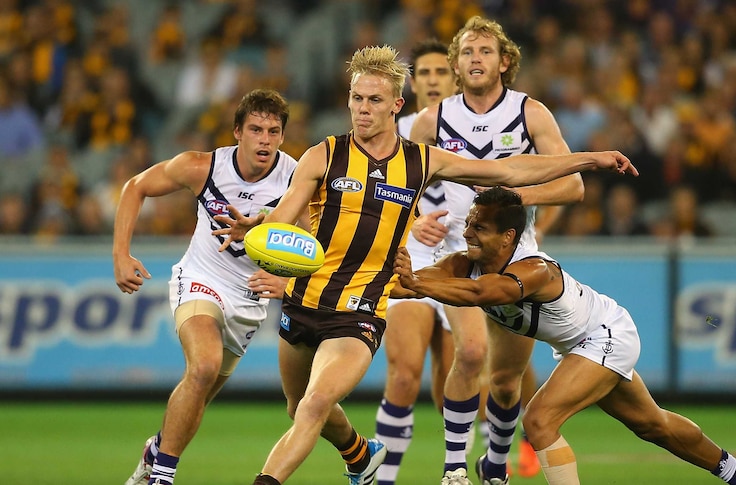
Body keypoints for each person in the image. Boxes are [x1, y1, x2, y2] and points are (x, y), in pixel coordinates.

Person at [211, 45, 636, 485]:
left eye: (374, 100)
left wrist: (589, 159)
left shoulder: (421, 160)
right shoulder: (325, 154)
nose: (362, 109)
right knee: (298, 404)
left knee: (314, 404)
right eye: (357, 98)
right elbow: (285, 217)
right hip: (305, 300)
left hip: (361, 309)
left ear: (397, 105)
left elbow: (507, 174)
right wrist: (259, 228)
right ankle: (360, 454)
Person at [392, 186, 736, 485]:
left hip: (606, 335)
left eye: (480, 228)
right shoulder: (464, 263)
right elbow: (411, 285)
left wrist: (416, 282)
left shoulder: (534, 270)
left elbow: (481, 294)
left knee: (539, 420)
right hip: (581, 346)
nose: (468, 233)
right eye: (470, 223)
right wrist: (365, 283)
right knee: (652, 425)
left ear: (509, 236)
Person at [408, 16, 580, 483]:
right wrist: (414, 218)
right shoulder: (433, 120)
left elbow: (573, 185)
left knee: (506, 382)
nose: (475, 59)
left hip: (517, 255)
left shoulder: (530, 113)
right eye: (466, 52)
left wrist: (516, 197)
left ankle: (496, 466)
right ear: (456, 66)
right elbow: (395, 184)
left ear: (505, 61)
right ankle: (453, 471)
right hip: (457, 254)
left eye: (484, 51)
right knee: (469, 354)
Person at [113, 88, 301, 485]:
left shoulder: (298, 179)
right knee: (203, 366)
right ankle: (161, 477)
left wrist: (287, 279)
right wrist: (121, 255)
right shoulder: (203, 167)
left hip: (249, 300)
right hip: (201, 279)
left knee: (198, 394)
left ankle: (157, 450)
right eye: (256, 129)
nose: (264, 139)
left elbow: (320, 238)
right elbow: (136, 187)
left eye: (273, 131)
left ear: (282, 136)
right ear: (237, 131)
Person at [374, 38, 458, 485]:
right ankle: (382, 478)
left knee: (457, 386)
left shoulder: (478, 128)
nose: (431, 80)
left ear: (456, 77)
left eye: (440, 72)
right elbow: (379, 193)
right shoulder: (399, 130)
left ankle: (467, 469)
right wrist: (413, 223)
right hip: (413, 253)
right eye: (423, 73)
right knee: (405, 373)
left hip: (466, 260)